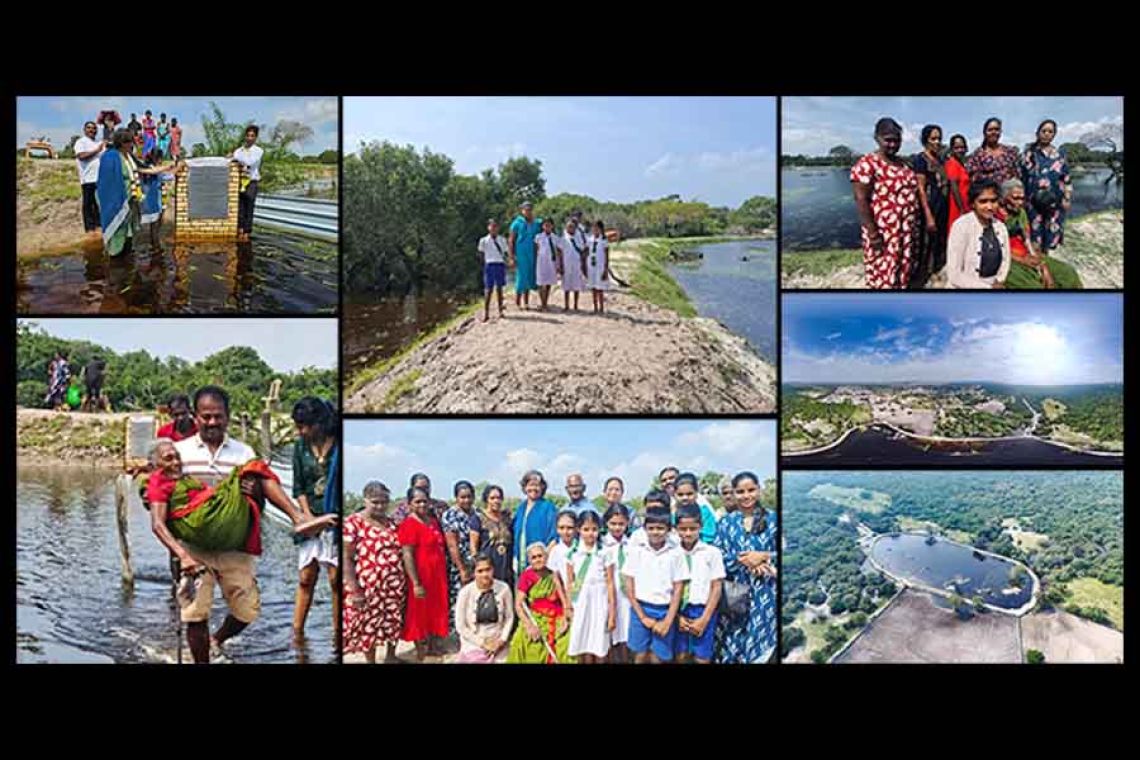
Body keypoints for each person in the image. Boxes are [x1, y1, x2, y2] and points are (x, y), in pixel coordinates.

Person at [145, 438, 318, 664]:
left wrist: (245, 492)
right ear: (156, 464)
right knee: (196, 613)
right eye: (168, 458)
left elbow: (208, 498)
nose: (176, 462)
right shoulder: (159, 483)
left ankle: (216, 640)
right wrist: (183, 556)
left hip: (232, 546)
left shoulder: (241, 450)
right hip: (195, 549)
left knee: (247, 610)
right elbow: (158, 524)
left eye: (176, 457)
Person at [290, 397, 340, 643]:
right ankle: (297, 634)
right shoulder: (300, 447)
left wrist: (328, 519)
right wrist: (308, 518)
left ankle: (336, 636)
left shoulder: (340, 444)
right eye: (299, 426)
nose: (301, 431)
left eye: (305, 426)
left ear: (320, 423)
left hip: (335, 518)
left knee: (335, 580)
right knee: (305, 577)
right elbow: (299, 485)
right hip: (310, 517)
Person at [713, 471, 777, 664]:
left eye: (751, 490)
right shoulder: (726, 523)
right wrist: (744, 560)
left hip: (766, 594)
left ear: (758, 490)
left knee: (761, 648)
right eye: (740, 491)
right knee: (731, 646)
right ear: (733, 493)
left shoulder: (773, 520)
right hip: (735, 594)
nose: (746, 496)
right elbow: (717, 557)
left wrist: (764, 556)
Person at [851, 117, 919, 289]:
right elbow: (861, 200)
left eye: (897, 140)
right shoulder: (867, 164)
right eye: (888, 140)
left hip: (905, 231)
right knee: (884, 272)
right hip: (884, 233)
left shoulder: (903, 164)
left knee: (902, 268)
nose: (893, 145)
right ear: (876, 138)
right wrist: (873, 234)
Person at [343, 482, 406, 664]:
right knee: (368, 625)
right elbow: (346, 558)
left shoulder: (392, 524)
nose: (380, 506)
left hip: (393, 587)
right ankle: (371, 660)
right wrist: (354, 590)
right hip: (367, 587)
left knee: (392, 621)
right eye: (375, 502)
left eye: (384, 502)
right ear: (366, 500)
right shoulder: (353, 523)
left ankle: (391, 656)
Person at [622, 505, 689, 663]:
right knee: (639, 655)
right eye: (651, 528)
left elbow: (678, 589)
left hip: (664, 610)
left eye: (660, 528)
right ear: (644, 529)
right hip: (640, 609)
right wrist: (643, 617)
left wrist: (668, 620)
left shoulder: (675, 553)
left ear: (668, 529)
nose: (655, 532)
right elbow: (629, 587)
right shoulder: (637, 551)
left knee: (659, 657)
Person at [997, 178, 1082, 289]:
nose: (1020, 202)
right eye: (1015, 198)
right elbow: (994, 248)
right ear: (1003, 198)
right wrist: (1022, 260)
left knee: (1067, 273)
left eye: (1022, 198)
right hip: (1005, 257)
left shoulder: (1021, 212)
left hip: (1023, 251)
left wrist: (1042, 265)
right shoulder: (994, 215)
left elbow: (1027, 240)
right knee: (1031, 283)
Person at [398, 485, 449, 660]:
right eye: (417, 501)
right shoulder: (408, 524)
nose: (422, 505)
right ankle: (421, 649)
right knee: (418, 612)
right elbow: (408, 555)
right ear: (409, 504)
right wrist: (416, 583)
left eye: (424, 501)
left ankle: (434, 645)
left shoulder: (433, 521)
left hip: (437, 575)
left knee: (436, 609)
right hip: (421, 576)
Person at [674, 503, 725, 664]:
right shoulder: (672, 553)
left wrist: (704, 619)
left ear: (700, 527)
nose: (688, 533)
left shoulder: (712, 553)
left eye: (692, 528)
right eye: (683, 529)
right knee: (680, 654)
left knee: (702, 656)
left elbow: (716, 587)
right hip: (679, 610)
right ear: (676, 528)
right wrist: (676, 617)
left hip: (703, 609)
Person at [565, 510, 615, 663]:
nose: (590, 534)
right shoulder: (572, 553)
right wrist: (568, 606)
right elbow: (570, 582)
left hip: (599, 602)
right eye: (586, 529)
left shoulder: (604, 552)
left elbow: (610, 582)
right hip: (580, 602)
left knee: (599, 642)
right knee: (582, 641)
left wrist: (612, 611)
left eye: (594, 529)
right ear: (578, 529)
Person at [507, 542, 571, 663]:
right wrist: (528, 625)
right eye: (534, 557)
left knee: (566, 642)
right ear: (529, 561)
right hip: (535, 617)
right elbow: (519, 604)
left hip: (557, 616)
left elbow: (564, 601)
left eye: (540, 556)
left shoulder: (553, 575)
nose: (537, 560)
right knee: (523, 641)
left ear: (546, 557)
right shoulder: (527, 576)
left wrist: (565, 619)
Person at [945, 179, 1011, 289]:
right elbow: (954, 274)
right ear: (973, 204)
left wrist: (999, 281)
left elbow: (1006, 261)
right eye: (983, 201)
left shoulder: (1000, 227)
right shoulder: (962, 226)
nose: (989, 207)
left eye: (993, 201)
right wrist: (987, 288)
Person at [1022, 119, 1073, 254]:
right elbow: (1021, 176)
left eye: (1050, 131)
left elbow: (1066, 178)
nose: (1046, 134)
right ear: (1037, 133)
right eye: (1043, 131)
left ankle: (1046, 258)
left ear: (1054, 134)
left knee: (1050, 233)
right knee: (1035, 234)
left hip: (1054, 202)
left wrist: (1067, 198)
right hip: (1033, 202)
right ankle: (1037, 264)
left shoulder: (1060, 155)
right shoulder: (1029, 153)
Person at [454, 555, 515, 663]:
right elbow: (460, 626)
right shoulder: (465, 593)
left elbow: (509, 617)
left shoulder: (504, 588)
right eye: (480, 571)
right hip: (474, 642)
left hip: (498, 641)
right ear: (473, 573)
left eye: (488, 570)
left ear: (493, 569)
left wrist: (501, 640)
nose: (485, 574)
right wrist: (482, 643)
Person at [912, 124, 950, 287]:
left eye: (939, 138)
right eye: (933, 138)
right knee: (926, 241)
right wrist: (928, 215)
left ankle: (936, 269)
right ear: (925, 140)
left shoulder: (940, 159)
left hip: (942, 205)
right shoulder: (921, 159)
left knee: (939, 239)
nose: (937, 142)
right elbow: (920, 188)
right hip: (930, 206)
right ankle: (922, 275)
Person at [96, 129, 142, 257]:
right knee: (117, 230)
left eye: (131, 142)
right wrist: (114, 201)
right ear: (121, 143)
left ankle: (127, 257)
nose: (131, 145)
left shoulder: (129, 156)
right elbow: (106, 183)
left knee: (129, 231)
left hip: (131, 201)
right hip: (117, 201)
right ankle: (116, 258)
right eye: (128, 142)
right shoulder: (110, 157)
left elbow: (142, 169)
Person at [442, 480, 477, 639]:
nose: (466, 500)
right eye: (462, 497)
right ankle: (458, 635)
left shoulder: (475, 514)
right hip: (458, 565)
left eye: (469, 497)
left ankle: (471, 631)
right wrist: (462, 569)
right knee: (459, 598)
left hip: (475, 564)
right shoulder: (450, 515)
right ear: (456, 497)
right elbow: (452, 545)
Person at [601, 502, 633, 662]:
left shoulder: (633, 545)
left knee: (626, 636)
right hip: (608, 596)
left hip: (627, 597)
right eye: (613, 524)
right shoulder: (601, 545)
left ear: (627, 523)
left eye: (621, 524)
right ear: (606, 523)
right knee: (609, 636)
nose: (617, 528)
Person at [512, 469, 558, 576]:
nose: (533, 488)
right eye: (530, 485)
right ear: (524, 487)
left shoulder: (548, 507)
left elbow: (554, 538)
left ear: (542, 487)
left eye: (537, 485)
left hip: (540, 562)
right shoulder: (521, 508)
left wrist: (544, 559)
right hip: (522, 559)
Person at [468, 484, 514, 588]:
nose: (496, 501)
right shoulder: (478, 519)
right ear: (486, 500)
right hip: (487, 564)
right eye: (492, 498)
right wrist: (478, 566)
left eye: (498, 498)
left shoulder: (507, 519)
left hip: (505, 564)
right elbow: (473, 546)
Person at [965, 117, 1021, 186]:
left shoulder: (1010, 151)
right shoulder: (978, 155)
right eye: (990, 130)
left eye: (997, 129)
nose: (993, 132)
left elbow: (1017, 175)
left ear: (1000, 132)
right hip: (988, 194)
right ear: (985, 133)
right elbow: (972, 179)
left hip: (1008, 194)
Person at [231, 125, 263, 241]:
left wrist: (236, 159)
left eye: (252, 136)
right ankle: (240, 230)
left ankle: (247, 232)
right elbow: (232, 161)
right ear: (245, 136)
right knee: (240, 208)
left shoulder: (258, 151)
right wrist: (235, 159)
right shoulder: (239, 150)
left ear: (255, 137)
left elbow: (250, 162)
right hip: (239, 181)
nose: (249, 138)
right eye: (248, 135)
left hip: (251, 182)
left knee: (249, 208)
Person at [74, 121, 107, 235]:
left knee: (98, 203)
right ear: (84, 130)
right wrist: (97, 150)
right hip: (87, 178)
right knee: (88, 204)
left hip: (99, 178)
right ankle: (89, 228)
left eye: (94, 128)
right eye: (89, 128)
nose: (92, 130)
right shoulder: (80, 142)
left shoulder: (98, 143)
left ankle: (98, 225)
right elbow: (81, 156)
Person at [508, 201, 542, 309]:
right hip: (521, 253)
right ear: (522, 210)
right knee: (521, 277)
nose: (528, 211)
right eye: (526, 209)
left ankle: (526, 302)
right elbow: (511, 240)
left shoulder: (537, 223)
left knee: (530, 276)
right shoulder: (517, 223)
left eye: (530, 209)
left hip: (533, 254)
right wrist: (511, 256)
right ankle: (518, 302)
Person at [477, 218, 510, 322]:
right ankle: (486, 313)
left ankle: (500, 311)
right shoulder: (483, 240)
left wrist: (509, 262)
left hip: (499, 264)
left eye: (496, 226)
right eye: (492, 226)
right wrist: (484, 265)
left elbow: (505, 253)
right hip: (489, 265)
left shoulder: (502, 240)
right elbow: (481, 254)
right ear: (488, 227)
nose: (494, 228)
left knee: (499, 289)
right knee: (488, 289)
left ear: (498, 228)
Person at [673, 472, 719, 545]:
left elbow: (709, 536)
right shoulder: (671, 515)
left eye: (689, 494)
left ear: (696, 493)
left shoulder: (704, 513)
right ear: (674, 494)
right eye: (680, 495)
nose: (685, 498)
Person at [534, 217, 566, 311]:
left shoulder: (555, 238)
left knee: (548, 283)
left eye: (549, 225)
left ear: (552, 226)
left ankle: (545, 303)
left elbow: (560, 251)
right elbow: (536, 249)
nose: (547, 226)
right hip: (541, 262)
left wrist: (560, 265)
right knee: (540, 283)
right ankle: (542, 303)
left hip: (551, 262)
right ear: (543, 226)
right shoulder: (538, 237)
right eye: (545, 225)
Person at [945, 135, 972, 234]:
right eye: (956, 148)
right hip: (957, 208)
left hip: (965, 205)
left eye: (962, 147)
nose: (960, 150)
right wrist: (961, 210)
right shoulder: (952, 164)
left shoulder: (961, 164)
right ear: (951, 149)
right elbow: (954, 187)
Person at [546, 509, 580, 588]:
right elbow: (555, 579)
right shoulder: (555, 551)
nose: (565, 532)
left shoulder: (583, 548)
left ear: (577, 528)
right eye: (561, 528)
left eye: (570, 528)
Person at [561, 218, 587, 311]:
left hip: (577, 263)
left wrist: (583, 265)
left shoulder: (579, 237)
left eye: (572, 227)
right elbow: (560, 252)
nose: (570, 228)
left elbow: (583, 250)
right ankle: (566, 305)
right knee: (566, 285)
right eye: (569, 227)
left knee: (576, 285)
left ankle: (576, 305)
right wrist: (560, 265)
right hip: (566, 263)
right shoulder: (563, 237)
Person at [587, 219, 612, 313]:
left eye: (597, 228)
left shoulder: (604, 240)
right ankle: (595, 307)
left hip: (600, 266)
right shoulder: (590, 239)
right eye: (593, 228)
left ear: (601, 229)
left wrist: (605, 269)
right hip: (591, 266)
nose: (595, 230)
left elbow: (606, 255)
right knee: (593, 287)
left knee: (600, 288)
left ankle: (601, 308)